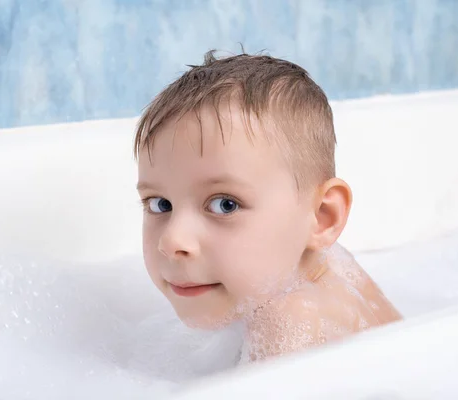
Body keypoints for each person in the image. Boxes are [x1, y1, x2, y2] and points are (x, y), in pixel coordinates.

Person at [134, 50, 402, 363]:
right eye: (160, 203)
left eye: (225, 205)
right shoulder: (326, 274)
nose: (171, 241)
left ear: (322, 217)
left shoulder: (286, 326)